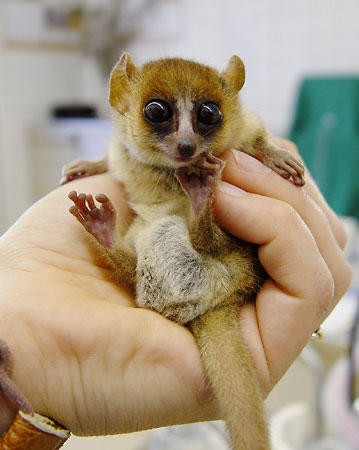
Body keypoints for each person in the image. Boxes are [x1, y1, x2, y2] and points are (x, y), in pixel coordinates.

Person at [0, 138, 351, 438]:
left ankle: (157, 229)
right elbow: (130, 151)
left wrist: (263, 153)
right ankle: (118, 240)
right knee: (157, 232)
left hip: (214, 276)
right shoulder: (129, 152)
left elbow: (248, 136)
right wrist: (36, 351)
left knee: (174, 227)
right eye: (158, 114)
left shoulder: (220, 147)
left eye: (206, 117)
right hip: (172, 281)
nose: (185, 141)